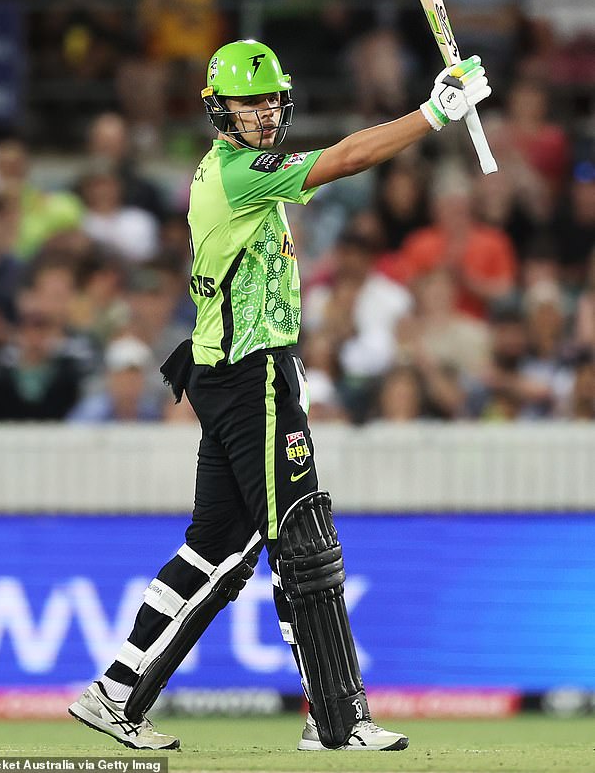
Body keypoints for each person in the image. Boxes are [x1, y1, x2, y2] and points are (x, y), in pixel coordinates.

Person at [68, 39, 491, 750]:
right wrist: (433, 112)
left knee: (217, 551)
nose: (264, 114)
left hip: (231, 371)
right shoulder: (239, 172)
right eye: (248, 103)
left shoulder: (232, 171)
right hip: (250, 375)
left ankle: (115, 691)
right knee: (302, 540)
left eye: (270, 100)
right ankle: (336, 721)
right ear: (219, 112)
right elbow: (345, 160)